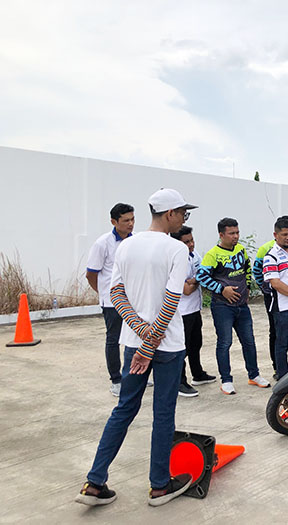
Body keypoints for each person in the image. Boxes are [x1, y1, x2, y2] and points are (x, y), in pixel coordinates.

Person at [75, 188, 197, 507]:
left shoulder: (127, 246)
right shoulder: (175, 249)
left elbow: (115, 293)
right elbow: (172, 299)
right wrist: (152, 341)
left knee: (124, 409)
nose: (185, 218)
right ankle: (159, 486)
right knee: (163, 413)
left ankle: (94, 482)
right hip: (167, 346)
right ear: (169, 214)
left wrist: (141, 336)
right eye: (183, 212)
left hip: (132, 343)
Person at [196, 218, 270, 394]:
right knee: (225, 343)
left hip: (242, 306)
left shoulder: (240, 249)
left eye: (237, 232)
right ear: (221, 235)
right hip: (222, 307)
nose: (236, 236)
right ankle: (226, 380)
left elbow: (247, 268)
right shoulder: (213, 254)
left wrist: (247, 290)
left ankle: (254, 375)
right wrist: (222, 290)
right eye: (232, 233)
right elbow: (202, 277)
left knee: (249, 341)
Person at [86, 202, 135, 397]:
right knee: (113, 340)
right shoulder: (102, 243)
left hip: (133, 299)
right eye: (126, 220)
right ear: (114, 222)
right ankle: (116, 379)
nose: (131, 224)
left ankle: (134, 374)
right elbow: (91, 274)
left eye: (132, 219)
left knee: (135, 337)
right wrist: (104, 294)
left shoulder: (135, 241)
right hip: (112, 302)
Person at [252, 216, 288, 380]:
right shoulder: (270, 256)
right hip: (283, 309)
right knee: (282, 343)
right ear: (275, 235)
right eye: (284, 234)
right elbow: (275, 283)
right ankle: (283, 376)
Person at [171, 226, 216, 397]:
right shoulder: (175, 261)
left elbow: (204, 275)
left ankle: (198, 374)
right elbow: (186, 290)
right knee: (182, 348)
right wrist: (197, 280)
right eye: (186, 242)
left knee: (196, 343)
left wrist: (194, 280)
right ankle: (179, 381)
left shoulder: (194, 255)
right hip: (181, 311)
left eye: (191, 240)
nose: (191, 244)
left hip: (194, 308)